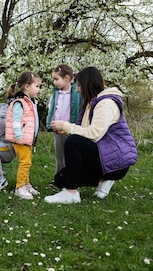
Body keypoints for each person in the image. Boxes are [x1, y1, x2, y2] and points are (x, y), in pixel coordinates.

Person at [45, 67, 137, 204]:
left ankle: (71, 193)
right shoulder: (91, 104)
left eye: (79, 85)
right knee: (60, 179)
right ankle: (103, 179)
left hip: (115, 161)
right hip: (102, 155)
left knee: (73, 141)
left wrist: (66, 126)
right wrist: (67, 130)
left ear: (87, 84)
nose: (77, 89)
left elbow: (94, 134)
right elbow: (84, 131)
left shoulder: (106, 103)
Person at [5, 71, 42, 200]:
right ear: (27, 87)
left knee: (27, 162)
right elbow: (16, 121)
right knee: (25, 162)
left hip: (27, 139)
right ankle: (20, 187)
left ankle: (26, 184)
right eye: (37, 86)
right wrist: (19, 136)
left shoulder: (30, 102)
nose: (39, 90)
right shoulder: (19, 103)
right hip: (21, 139)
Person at [45, 64, 81, 174]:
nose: (54, 82)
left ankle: (70, 176)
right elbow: (51, 108)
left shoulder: (76, 93)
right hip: (57, 128)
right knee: (59, 154)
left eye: (56, 79)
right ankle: (59, 176)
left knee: (70, 154)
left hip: (70, 128)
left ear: (67, 78)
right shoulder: (55, 94)